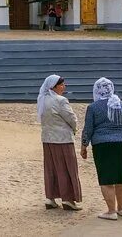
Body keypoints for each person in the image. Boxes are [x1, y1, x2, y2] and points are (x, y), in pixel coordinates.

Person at [80, 77, 122, 221]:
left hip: (103, 144)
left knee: (106, 178)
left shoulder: (93, 107)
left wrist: (84, 146)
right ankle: (121, 208)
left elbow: (88, 129)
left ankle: (111, 211)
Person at [37, 74, 82, 211]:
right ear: (54, 87)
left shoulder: (42, 100)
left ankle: (50, 197)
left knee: (51, 169)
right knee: (66, 169)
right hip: (63, 139)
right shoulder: (60, 100)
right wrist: (75, 128)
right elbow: (71, 118)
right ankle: (68, 199)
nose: (64, 87)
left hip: (48, 139)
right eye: (61, 85)